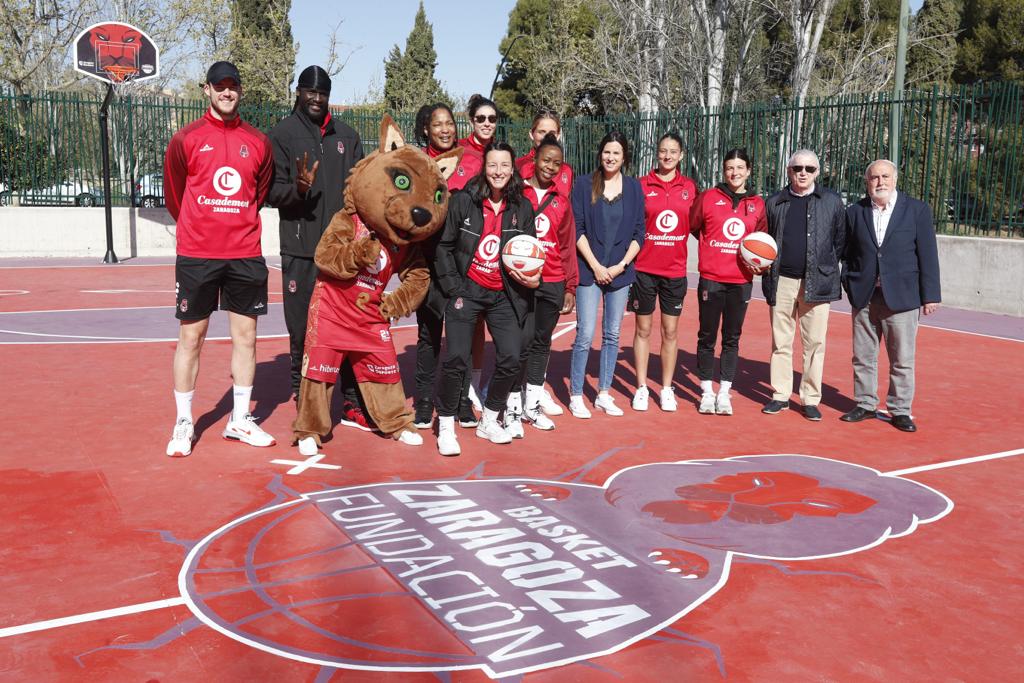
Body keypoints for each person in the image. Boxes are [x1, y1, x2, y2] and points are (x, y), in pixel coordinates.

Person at [163, 61, 275, 456]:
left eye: (233, 86)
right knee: (191, 338)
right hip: (197, 254)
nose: (227, 92)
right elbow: (175, 195)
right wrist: (201, 226)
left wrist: (233, 223)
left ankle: (240, 420)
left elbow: (257, 194)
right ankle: (183, 423)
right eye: (220, 86)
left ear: (240, 91)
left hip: (245, 254)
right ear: (206, 90)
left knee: (246, 337)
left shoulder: (258, 142)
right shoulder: (186, 139)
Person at [267, 65, 369, 429]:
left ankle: (352, 401)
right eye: (309, 91)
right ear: (298, 92)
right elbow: (270, 192)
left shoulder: (348, 135)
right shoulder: (282, 134)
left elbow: (363, 190)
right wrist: (298, 189)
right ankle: (302, 394)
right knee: (302, 330)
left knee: (348, 329)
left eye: (322, 92)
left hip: (343, 253)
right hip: (301, 250)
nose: (316, 98)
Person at [433, 142, 538, 455]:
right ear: (484, 168)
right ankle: (447, 425)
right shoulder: (464, 201)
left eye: (505, 166)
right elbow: (443, 247)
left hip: (503, 292)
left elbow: (530, 250)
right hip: (467, 290)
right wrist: (454, 288)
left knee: (511, 357)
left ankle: (489, 419)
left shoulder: (522, 207)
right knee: (456, 358)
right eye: (493, 165)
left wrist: (534, 275)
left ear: (512, 169)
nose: (499, 172)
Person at [840, 159, 941, 432]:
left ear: (895, 180)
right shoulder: (855, 212)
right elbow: (848, 254)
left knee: (902, 359)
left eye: (885, 176)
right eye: (874, 177)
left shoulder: (917, 210)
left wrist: (930, 295)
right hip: (865, 296)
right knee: (863, 356)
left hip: (903, 297)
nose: (880, 182)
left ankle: (900, 410)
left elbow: (928, 255)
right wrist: (849, 283)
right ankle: (865, 403)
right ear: (867, 182)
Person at [761, 150, 846, 421]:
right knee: (781, 341)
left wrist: (824, 267)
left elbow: (839, 241)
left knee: (814, 343)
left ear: (817, 173)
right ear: (788, 170)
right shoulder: (774, 202)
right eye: (797, 167)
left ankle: (810, 398)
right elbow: (765, 240)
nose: (803, 172)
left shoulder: (831, 202)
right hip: (782, 280)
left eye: (809, 168)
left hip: (817, 282)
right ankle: (780, 395)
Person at [568, 131, 645, 418]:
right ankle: (576, 394)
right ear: (600, 154)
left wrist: (620, 265)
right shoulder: (584, 184)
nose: (610, 157)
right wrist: (597, 266)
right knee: (585, 333)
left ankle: (603, 392)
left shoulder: (634, 188)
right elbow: (578, 229)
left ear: (624, 157)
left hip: (619, 272)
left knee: (612, 334)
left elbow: (639, 232)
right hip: (590, 271)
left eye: (616, 153)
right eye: (606, 152)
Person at [505, 133, 578, 435]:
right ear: (533, 160)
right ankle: (510, 408)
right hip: (522, 281)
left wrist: (570, 286)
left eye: (557, 164)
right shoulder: (516, 194)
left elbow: (566, 245)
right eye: (546, 160)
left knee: (541, 344)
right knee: (517, 344)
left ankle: (532, 405)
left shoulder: (561, 202)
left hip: (552, 281)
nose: (550, 167)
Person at [412, 103, 478, 430]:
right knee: (428, 337)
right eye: (437, 124)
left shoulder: (471, 162)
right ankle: (424, 401)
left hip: (463, 266)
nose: (444, 129)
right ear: (426, 129)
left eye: (449, 123)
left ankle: (459, 400)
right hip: (426, 263)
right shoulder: (416, 163)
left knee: (460, 339)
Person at [689, 147, 767, 416]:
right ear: (724, 171)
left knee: (732, 338)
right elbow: (694, 225)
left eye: (739, 167)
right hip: (712, 278)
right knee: (707, 336)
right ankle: (706, 392)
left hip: (741, 281)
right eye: (729, 168)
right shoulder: (709, 197)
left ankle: (724, 392)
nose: (734, 172)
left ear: (748, 171)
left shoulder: (757, 203)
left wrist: (759, 264)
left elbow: (761, 242)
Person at [629, 132, 698, 412]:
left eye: (673, 151)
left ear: (681, 155)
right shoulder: (641, 185)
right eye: (662, 151)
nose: (667, 156)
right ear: (656, 154)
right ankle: (642, 387)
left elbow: (703, 225)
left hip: (675, 271)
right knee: (642, 329)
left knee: (670, 331)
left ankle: (667, 388)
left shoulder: (690, 188)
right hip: (644, 269)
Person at [458, 94, 499, 410]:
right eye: (481, 118)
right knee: (463, 323)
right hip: (464, 251)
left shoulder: (499, 154)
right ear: (471, 120)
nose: (487, 123)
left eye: (492, 118)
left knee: (485, 324)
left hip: (493, 252)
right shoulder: (459, 153)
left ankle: (474, 384)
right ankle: (456, 386)